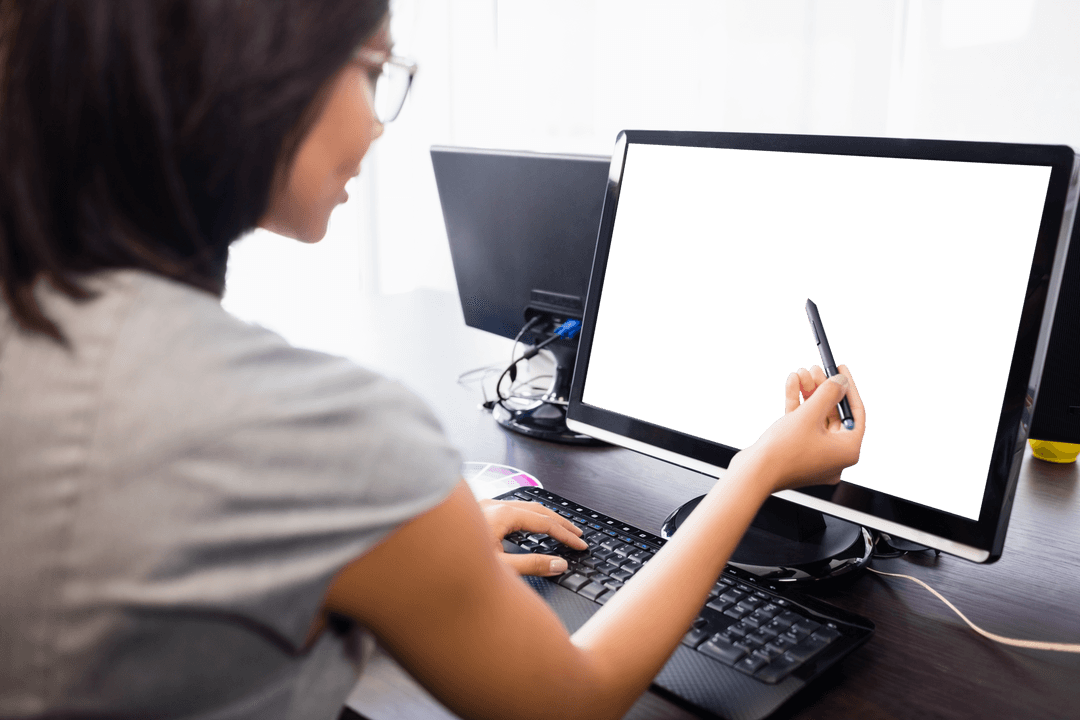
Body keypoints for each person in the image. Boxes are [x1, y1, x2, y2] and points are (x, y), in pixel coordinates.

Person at [0, 1, 866, 719]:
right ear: (251, 78)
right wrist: (753, 473)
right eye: (374, 69)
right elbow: (573, 699)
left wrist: (398, 557)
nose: (379, 121)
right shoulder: (309, 429)